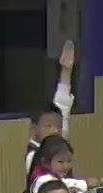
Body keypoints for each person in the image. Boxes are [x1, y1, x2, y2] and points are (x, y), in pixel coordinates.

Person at [24, 40, 76, 174]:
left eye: (58, 127)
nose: (54, 130)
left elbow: (63, 105)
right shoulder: (33, 156)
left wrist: (66, 71)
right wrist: (83, 183)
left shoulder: (58, 141)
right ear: (34, 129)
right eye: (48, 126)